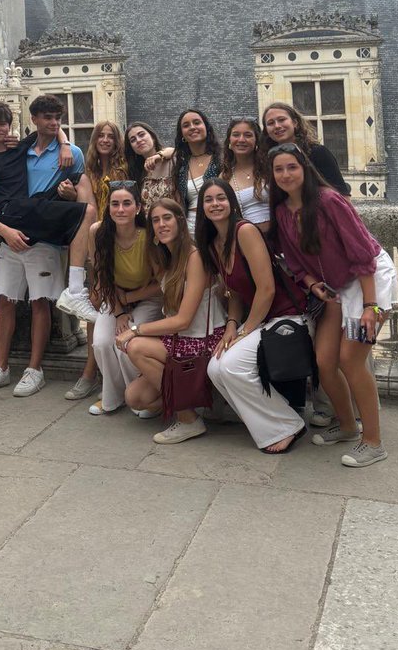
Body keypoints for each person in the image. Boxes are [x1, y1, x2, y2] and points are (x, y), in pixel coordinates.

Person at [266, 142, 398, 468]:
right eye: (279, 169)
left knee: (351, 361)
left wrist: (371, 307)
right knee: (325, 363)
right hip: (338, 288)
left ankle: (373, 441)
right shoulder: (282, 213)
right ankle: (349, 426)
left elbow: (363, 255)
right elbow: (295, 263)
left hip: (370, 283)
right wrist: (313, 284)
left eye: (291, 167)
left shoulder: (329, 201)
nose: (286, 174)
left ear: (304, 170)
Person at [0, 97, 95, 398]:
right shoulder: (18, 149)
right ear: (34, 119)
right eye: (47, 118)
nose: (53, 123)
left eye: (57, 119)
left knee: (41, 302)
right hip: (11, 234)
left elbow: (80, 195)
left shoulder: (71, 153)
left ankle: (34, 369)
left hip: (44, 236)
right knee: (4, 300)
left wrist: (64, 146)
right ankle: (0, 367)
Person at [201, 179, 309, 453]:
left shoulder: (244, 231)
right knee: (214, 368)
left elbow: (267, 288)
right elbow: (234, 293)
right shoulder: (214, 243)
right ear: (201, 208)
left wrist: (245, 332)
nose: (215, 204)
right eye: (208, 200)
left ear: (232, 203)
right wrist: (232, 326)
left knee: (231, 366)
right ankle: (269, 424)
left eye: (221, 198)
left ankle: (287, 425)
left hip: (286, 316)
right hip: (259, 320)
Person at [117, 197, 226, 444]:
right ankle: (198, 401)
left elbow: (183, 320)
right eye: (155, 220)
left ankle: (188, 419)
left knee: (135, 347)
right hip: (181, 341)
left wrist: (135, 330)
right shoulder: (167, 256)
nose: (161, 225)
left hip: (203, 342)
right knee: (135, 398)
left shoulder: (194, 257)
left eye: (167, 218)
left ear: (180, 221)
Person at [64, 121, 129, 401]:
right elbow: (84, 210)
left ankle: (113, 377)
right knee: (95, 305)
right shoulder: (85, 172)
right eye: (100, 135)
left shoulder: (128, 168)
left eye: (110, 136)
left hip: (124, 241)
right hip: (97, 245)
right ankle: (90, 373)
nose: (105, 140)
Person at [88, 181, 162, 416]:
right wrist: (119, 311)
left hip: (146, 296)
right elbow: (102, 276)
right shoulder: (98, 233)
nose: (120, 209)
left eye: (127, 204)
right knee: (101, 342)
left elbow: (161, 284)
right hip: (115, 297)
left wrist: (129, 297)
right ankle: (112, 397)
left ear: (138, 208)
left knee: (125, 345)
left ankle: (140, 396)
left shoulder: (148, 236)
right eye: (115, 204)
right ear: (108, 208)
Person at [260, 101, 350, 195]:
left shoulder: (318, 153)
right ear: (266, 130)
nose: (277, 126)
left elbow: (343, 197)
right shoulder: (267, 159)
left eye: (282, 120)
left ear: (295, 123)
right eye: (270, 123)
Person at [171, 109, 222, 233]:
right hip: (191, 230)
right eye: (186, 125)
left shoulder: (221, 159)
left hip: (218, 227)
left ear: (206, 127)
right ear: (182, 134)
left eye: (197, 122)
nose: (192, 127)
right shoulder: (181, 166)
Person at [220, 117, 271, 232]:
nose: (241, 140)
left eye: (248, 135)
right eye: (236, 135)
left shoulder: (270, 168)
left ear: (256, 140)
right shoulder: (224, 177)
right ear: (229, 140)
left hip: (277, 236)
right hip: (246, 240)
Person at [124, 121, 176, 215]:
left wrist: (159, 156)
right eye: (133, 140)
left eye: (141, 135)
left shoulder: (171, 161)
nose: (138, 140)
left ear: (152, 137)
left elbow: (180, 152)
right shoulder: (136, 173)